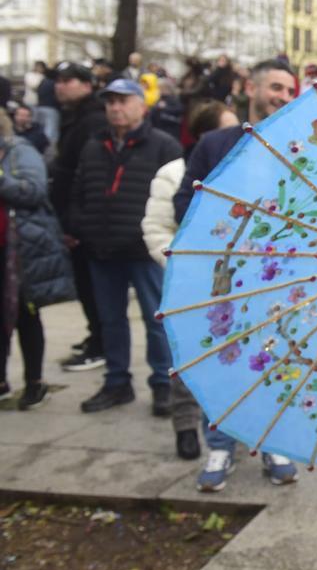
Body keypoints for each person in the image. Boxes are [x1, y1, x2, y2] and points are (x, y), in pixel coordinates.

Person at [172, 58, 299, 492]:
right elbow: (181, 204)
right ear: (251, 87)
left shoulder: (297, 146)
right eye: (276, 87)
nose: (283, 96)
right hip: (222, 277)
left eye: (289, 90)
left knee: (274, 359)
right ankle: (221, 445)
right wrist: (226, 216)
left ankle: (273, 443)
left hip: (277, 276)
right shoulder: (213, 144)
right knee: (223, 361)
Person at [72, 79, 182, 415]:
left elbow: (174, 197)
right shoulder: (94, 145)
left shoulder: (163, 145)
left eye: (123, 101)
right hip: (102, 250)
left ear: (141, 106)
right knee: (110, 320)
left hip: (142, 250)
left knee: (157, 319)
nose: (116, 108)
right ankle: (116, 382)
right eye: (110, 102)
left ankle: (163, 384)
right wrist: (81, 228)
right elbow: (79, 190)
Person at [142, 100, 239, 460]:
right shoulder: (174, 173)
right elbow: (157, 228)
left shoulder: (244, 169)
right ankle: (188, 427)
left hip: (236, 282)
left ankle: (238, 435)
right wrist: (187, 267)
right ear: (203, 137)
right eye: (226, 130)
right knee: (189, 358)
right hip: (192, 281)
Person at [0, 110, 74, 410]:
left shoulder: (19, 151)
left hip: (19, 252)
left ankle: (35, 382)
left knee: (26, 315)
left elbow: (34, 191)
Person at [51, 62, 110, 372]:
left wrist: (75, 223)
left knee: (92, 288)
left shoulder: (92, 121)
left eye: (68, 80)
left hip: (84, 222)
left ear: (87, 85)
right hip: (73, 218)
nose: (61, 86)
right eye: (58, 81)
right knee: (86, 286)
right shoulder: (75, 119)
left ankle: (101, 343)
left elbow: (86, 178)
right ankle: (96, 336)